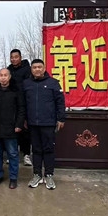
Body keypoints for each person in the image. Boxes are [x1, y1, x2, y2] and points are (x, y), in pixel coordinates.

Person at [23, 58, 65, 190]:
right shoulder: (26, 84)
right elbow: (23, 104)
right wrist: (24, 119)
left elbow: (60, 102)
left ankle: (49, 175)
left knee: (48, 149)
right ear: (31, 69)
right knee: (36, 150)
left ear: (44, 68)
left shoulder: (53, 83)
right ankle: (37, 175)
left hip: (48, 123)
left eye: (39, 67)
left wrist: (61, 119)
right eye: (34, 67)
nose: (37, 69)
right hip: (32, 123)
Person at [0, 68, 25, 189]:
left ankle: (13, 178)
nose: (3, 78)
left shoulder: (16, 90)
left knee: (13, 154)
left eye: (5, 75)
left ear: (9, 77)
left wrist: (19, 124)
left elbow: (21, 108)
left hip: (11, 127)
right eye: (1, 75)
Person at [7, 49, 32, 166]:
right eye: (12, 57)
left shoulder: (27, 69)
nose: (14, 59)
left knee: (25, 130)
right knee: (13, 129)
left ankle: (26, 155)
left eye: (16, 57)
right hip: (12, 103)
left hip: (25, 102)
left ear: (20, 57)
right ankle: (13, 154)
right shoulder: (9, 70)